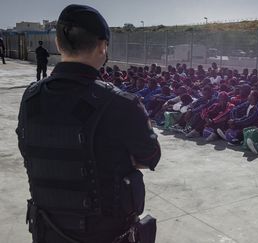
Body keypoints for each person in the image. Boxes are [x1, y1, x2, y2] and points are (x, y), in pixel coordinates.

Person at [16, 5, 161, 243]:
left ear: (58, 43)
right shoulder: (121, 104)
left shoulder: (31, 98)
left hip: (47, 232)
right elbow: (149, 156)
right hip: (108, 234)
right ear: (104, 46)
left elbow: (29, 150)